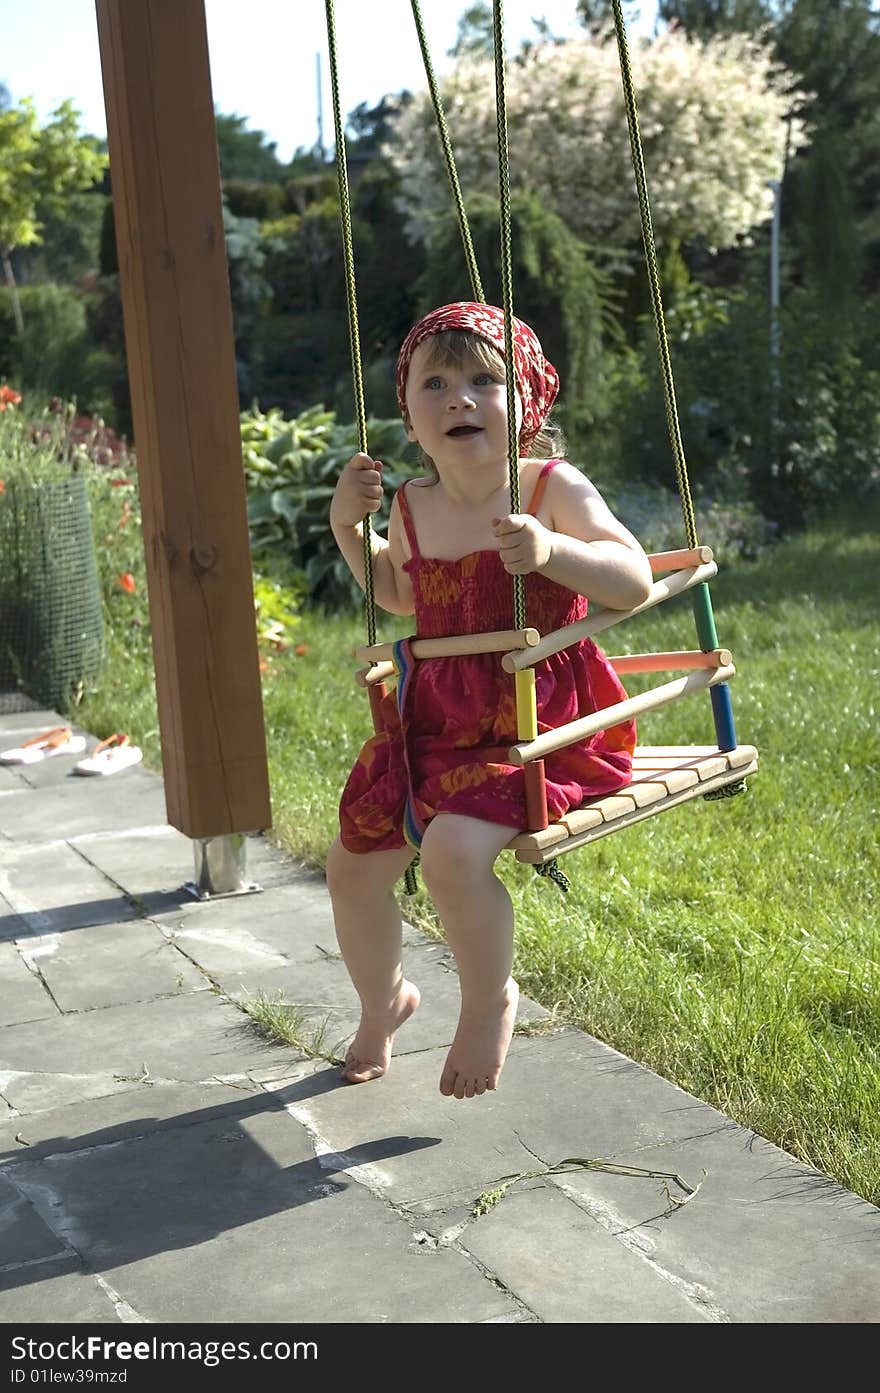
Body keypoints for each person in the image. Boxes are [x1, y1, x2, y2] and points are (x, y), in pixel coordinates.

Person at [327, 301, 653, 1101]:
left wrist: (553, 550)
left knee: (450, 853)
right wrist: (347, 528)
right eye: (435, 383)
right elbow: (401, 597)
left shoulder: (550, 488)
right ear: (408, 413)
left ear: (529, 401)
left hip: (538, 727)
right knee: (351, 864)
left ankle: (486, 998)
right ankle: (384, 1001)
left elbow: (634, 577)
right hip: (435, 725)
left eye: (483, 379)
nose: (459, 398)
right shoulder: (411, 506)